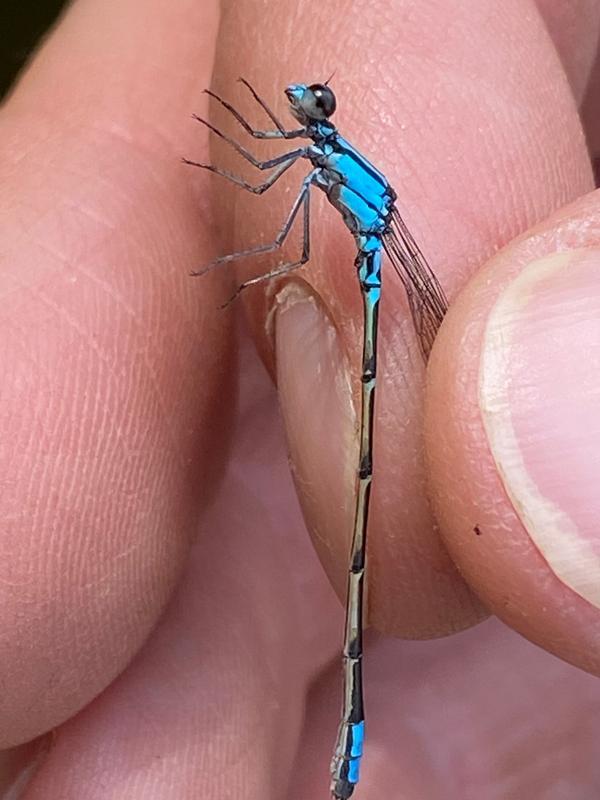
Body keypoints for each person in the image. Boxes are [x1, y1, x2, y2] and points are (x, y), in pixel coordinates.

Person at [1, 0, 599, 796]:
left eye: (310, 106)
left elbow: (274, 191)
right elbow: (265, 180)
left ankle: (355, 737)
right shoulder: (325, 156)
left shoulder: (333, 167)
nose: (301, 107)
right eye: (307, 105)